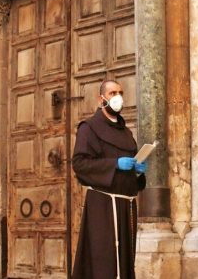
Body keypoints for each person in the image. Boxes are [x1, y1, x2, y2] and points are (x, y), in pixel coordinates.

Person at [71, 80, 147, 279]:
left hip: (126, 206)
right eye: (112, 93)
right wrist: (114, 164)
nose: (117, 97)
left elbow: (129, 170)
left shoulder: (126, 133)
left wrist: (138, 172)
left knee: (125, 261)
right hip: (104, 205)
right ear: (101, 99)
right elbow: (79, 164)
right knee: (104, 261)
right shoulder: (89, 128)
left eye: (120, 92)